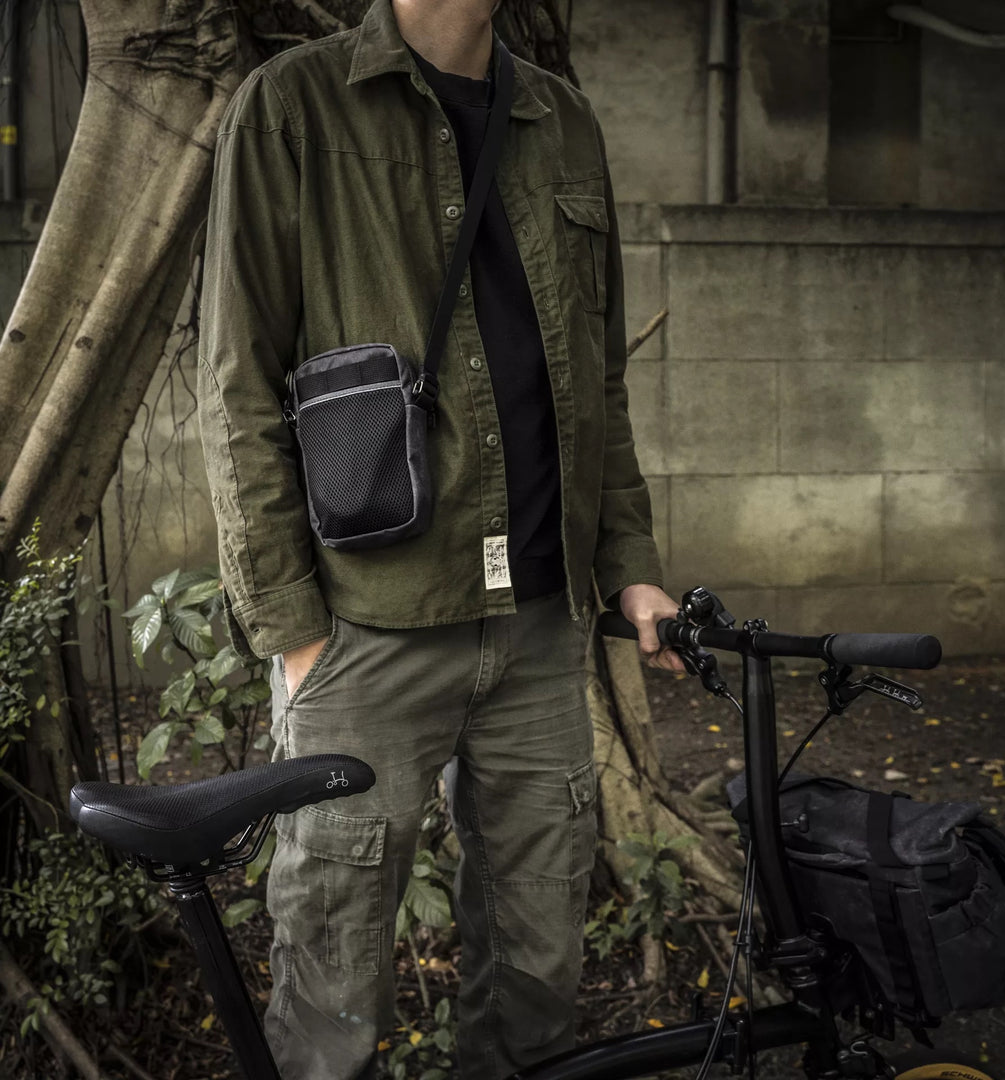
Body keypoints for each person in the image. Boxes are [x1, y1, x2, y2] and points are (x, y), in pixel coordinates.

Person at [196, 0, 686, 1076]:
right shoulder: (293, 108)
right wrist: (293, 632)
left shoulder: (562, 118)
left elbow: (597, 376)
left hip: (541, 626)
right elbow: (236, 386)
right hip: (368, 626)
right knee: (330, 995)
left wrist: (630, 564)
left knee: (536, 983)